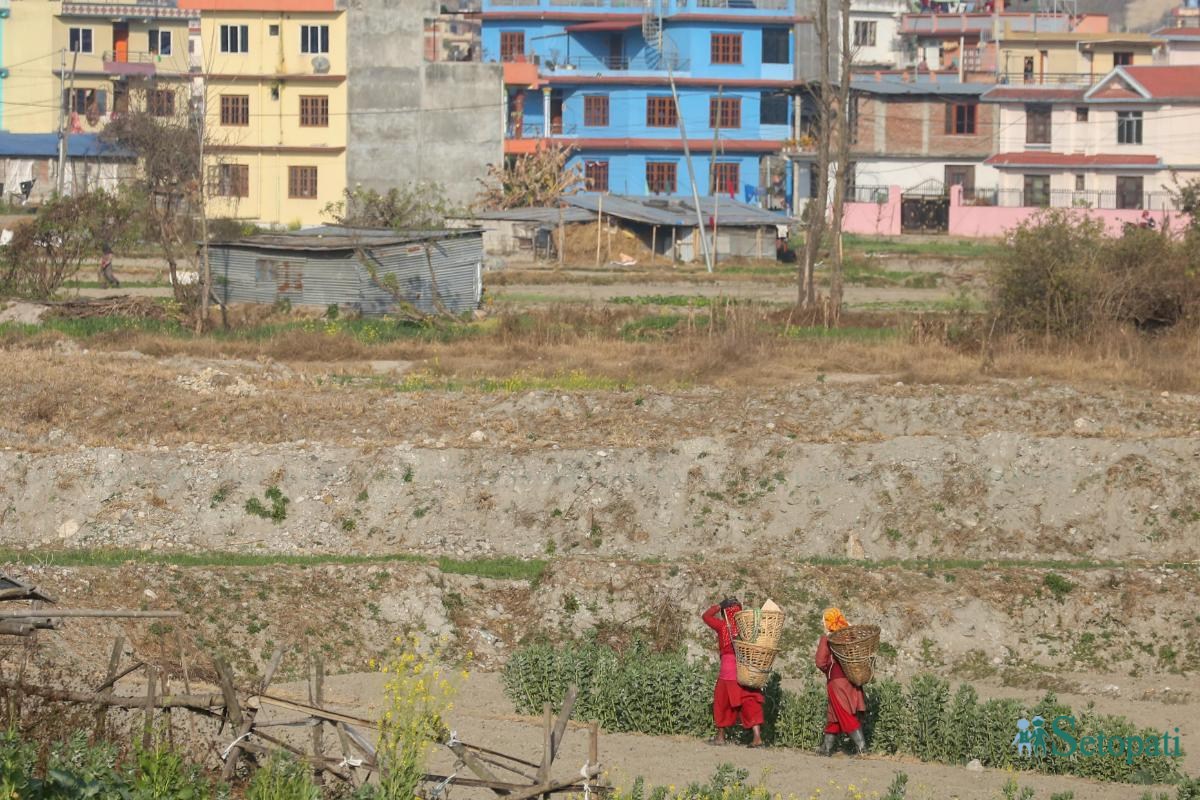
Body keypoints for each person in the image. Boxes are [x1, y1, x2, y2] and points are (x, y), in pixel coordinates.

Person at [702, 598, 764, 747]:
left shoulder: (723, 626)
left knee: (721, 702)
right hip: (746, 669)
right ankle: (757, 737)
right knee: (749, 701)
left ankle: (720, 737)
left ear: (725, 612)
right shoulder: (746, 628)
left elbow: (706, 616)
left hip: (728, 671)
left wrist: (719, 605)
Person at [815, 607, 867, 756]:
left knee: (844, 713)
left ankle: (862, 747)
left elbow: (820, 661)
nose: (823, 623)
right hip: (851, 679)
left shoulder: (828, 638)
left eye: (824, 620)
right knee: (834, 714)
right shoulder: (849, 635)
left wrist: (829, 670)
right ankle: (827, 748)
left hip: (837, 682)